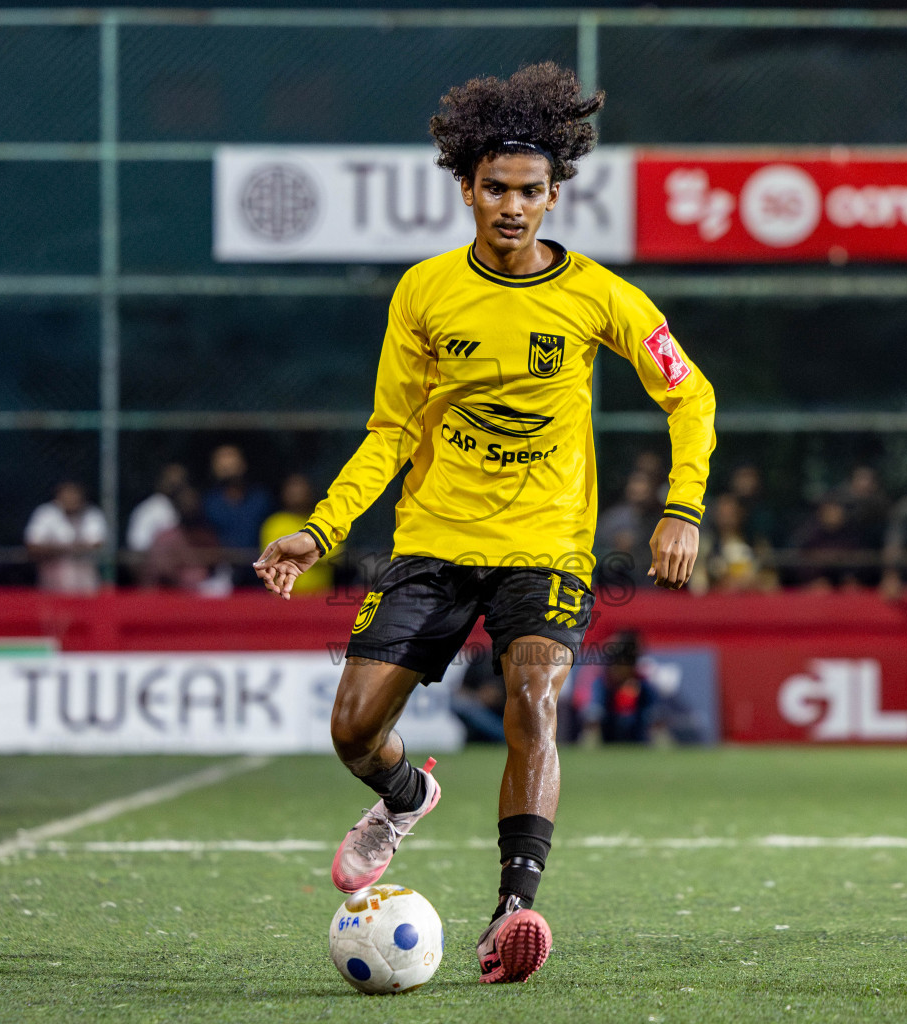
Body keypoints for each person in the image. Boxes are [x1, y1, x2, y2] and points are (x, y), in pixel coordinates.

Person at [252, 63, 715, 985]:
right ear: (466, 187)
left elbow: (689, 394)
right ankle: (405, 794)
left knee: (534, 698)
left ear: (555, 194)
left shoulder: (598, 295)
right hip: (433, 544)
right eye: (496, 189)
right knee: (351, 730)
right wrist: (323, 530)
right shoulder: (424, 293)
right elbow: (390, 433)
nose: (512, 207)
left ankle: (515, 908)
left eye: (531, 191)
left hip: (546, 549)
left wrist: (682, 507)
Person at [203, 444, 272, 585]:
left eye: (231, 458)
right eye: (221, 460)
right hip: (220, 579)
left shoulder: (261, 500)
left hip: (259, 578)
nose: (227, 465)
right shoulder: (207, 503)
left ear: (242, 464)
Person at [259, 474, 337, 596]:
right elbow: (271, 558)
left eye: (300, 487)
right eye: (292, 488)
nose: (296, 492)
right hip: (282, 598)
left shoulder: (324, 522)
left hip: (320, 598)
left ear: (310, 491)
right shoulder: (275, 523)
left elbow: (334, 556)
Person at [25, 481, 106, 595]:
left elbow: (96, 544)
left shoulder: (92, 514)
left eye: (74, 495)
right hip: (52, 585)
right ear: (58, 497)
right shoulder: (46, 513)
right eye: (67, 495)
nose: (71, 499)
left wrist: (55, 548)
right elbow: (33, 546)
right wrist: (73, 548)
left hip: (85, 586)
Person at [127, 463, 188, 555]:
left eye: (180, 484)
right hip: (146, 557)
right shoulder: (160, 505)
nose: (177, 489)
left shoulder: (169, 505)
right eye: (172, 484)